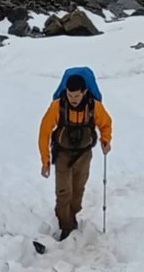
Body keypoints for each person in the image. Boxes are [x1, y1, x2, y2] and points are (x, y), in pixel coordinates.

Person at [39, 73, 112, 239]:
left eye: (77, 95)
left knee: (78, 191)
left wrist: (106, 141)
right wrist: (46, 161)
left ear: (84, 92)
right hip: (62, 154)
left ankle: (72, 216)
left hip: (84, 154)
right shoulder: (58, 106)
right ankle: (65, 226)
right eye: (70, 95)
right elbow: (44, 132)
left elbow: (106, 123)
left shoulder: (94, 106)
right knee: (64, 192)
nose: (73, 99)